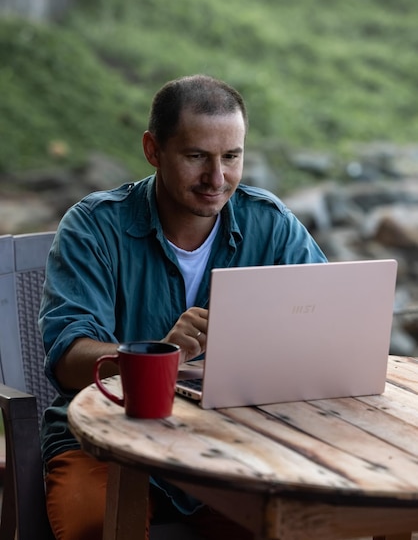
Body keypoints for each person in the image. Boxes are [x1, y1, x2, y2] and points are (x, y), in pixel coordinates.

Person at [39, 74, 327, 540]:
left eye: (231, 157)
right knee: (96, 526)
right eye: (197, 157)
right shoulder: (93, 227)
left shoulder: (270, 224)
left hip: (230, 443)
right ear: (153, 151)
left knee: (305, 524)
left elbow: (327, 320)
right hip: (107, 439)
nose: (217, 179)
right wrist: (159, 355)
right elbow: (69, 361)